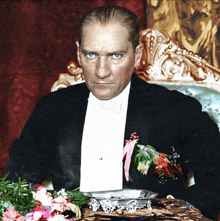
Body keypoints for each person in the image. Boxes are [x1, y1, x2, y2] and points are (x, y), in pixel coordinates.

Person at [6, 5, 220, 219]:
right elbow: (18, 182)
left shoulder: (176, 109)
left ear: (137, 56)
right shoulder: (52, 108)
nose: (101, 71)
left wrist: (174, 211)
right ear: (78, 53)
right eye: (91, 55)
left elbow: (216, 178)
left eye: (115, 55)